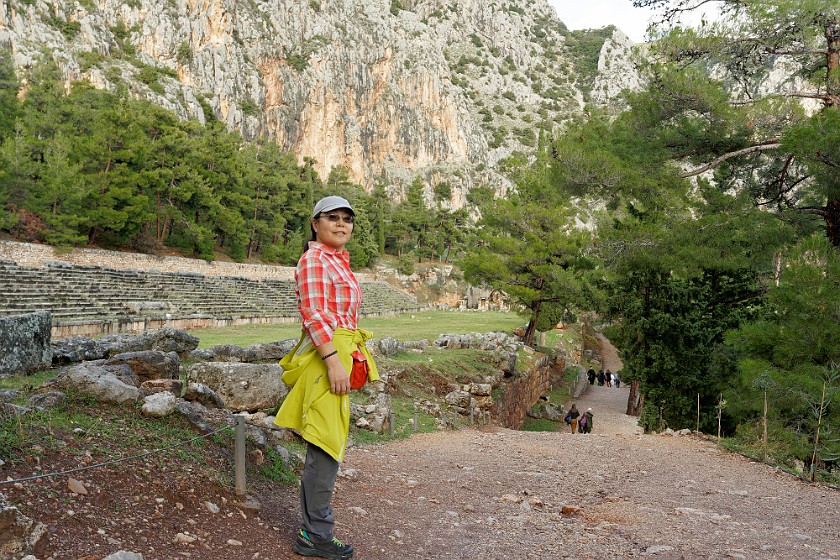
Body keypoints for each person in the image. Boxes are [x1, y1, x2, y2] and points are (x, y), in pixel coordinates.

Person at [275, 195, 379, 560]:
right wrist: (334, 360)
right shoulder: (316, 259)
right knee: (324, 445)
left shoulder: (337, 261)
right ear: (315, 224)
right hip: (326, 357)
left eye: (347, 219)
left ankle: (315, 528)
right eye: (331, 217)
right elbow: (315, 315)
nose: (340, 224)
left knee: (328, 443)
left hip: (337, 353)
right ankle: (315, 534)